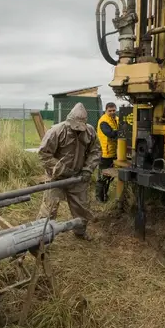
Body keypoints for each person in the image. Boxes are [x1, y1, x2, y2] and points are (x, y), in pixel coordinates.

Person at [36, 103, 101, 241]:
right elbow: (43, 154)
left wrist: (88, 169)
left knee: (81, 207)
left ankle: (80, 232)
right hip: (56, 178)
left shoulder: (89, 131)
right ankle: (42, 238)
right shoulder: (57, 131)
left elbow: (95, 152)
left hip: (78, 177)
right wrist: (62, 170)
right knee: (49, 208)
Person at [95, 102, 119, 202]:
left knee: (109, 177)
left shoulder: (116, 119)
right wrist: (122, 130)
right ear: (106, 111)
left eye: (114, 110)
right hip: (105, 154)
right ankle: (99, 198)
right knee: (102, 178)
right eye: (110, 111)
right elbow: (110, 134)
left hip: (113, 154)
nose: (112, 112)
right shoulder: (103, 121)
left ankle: (105, 195)